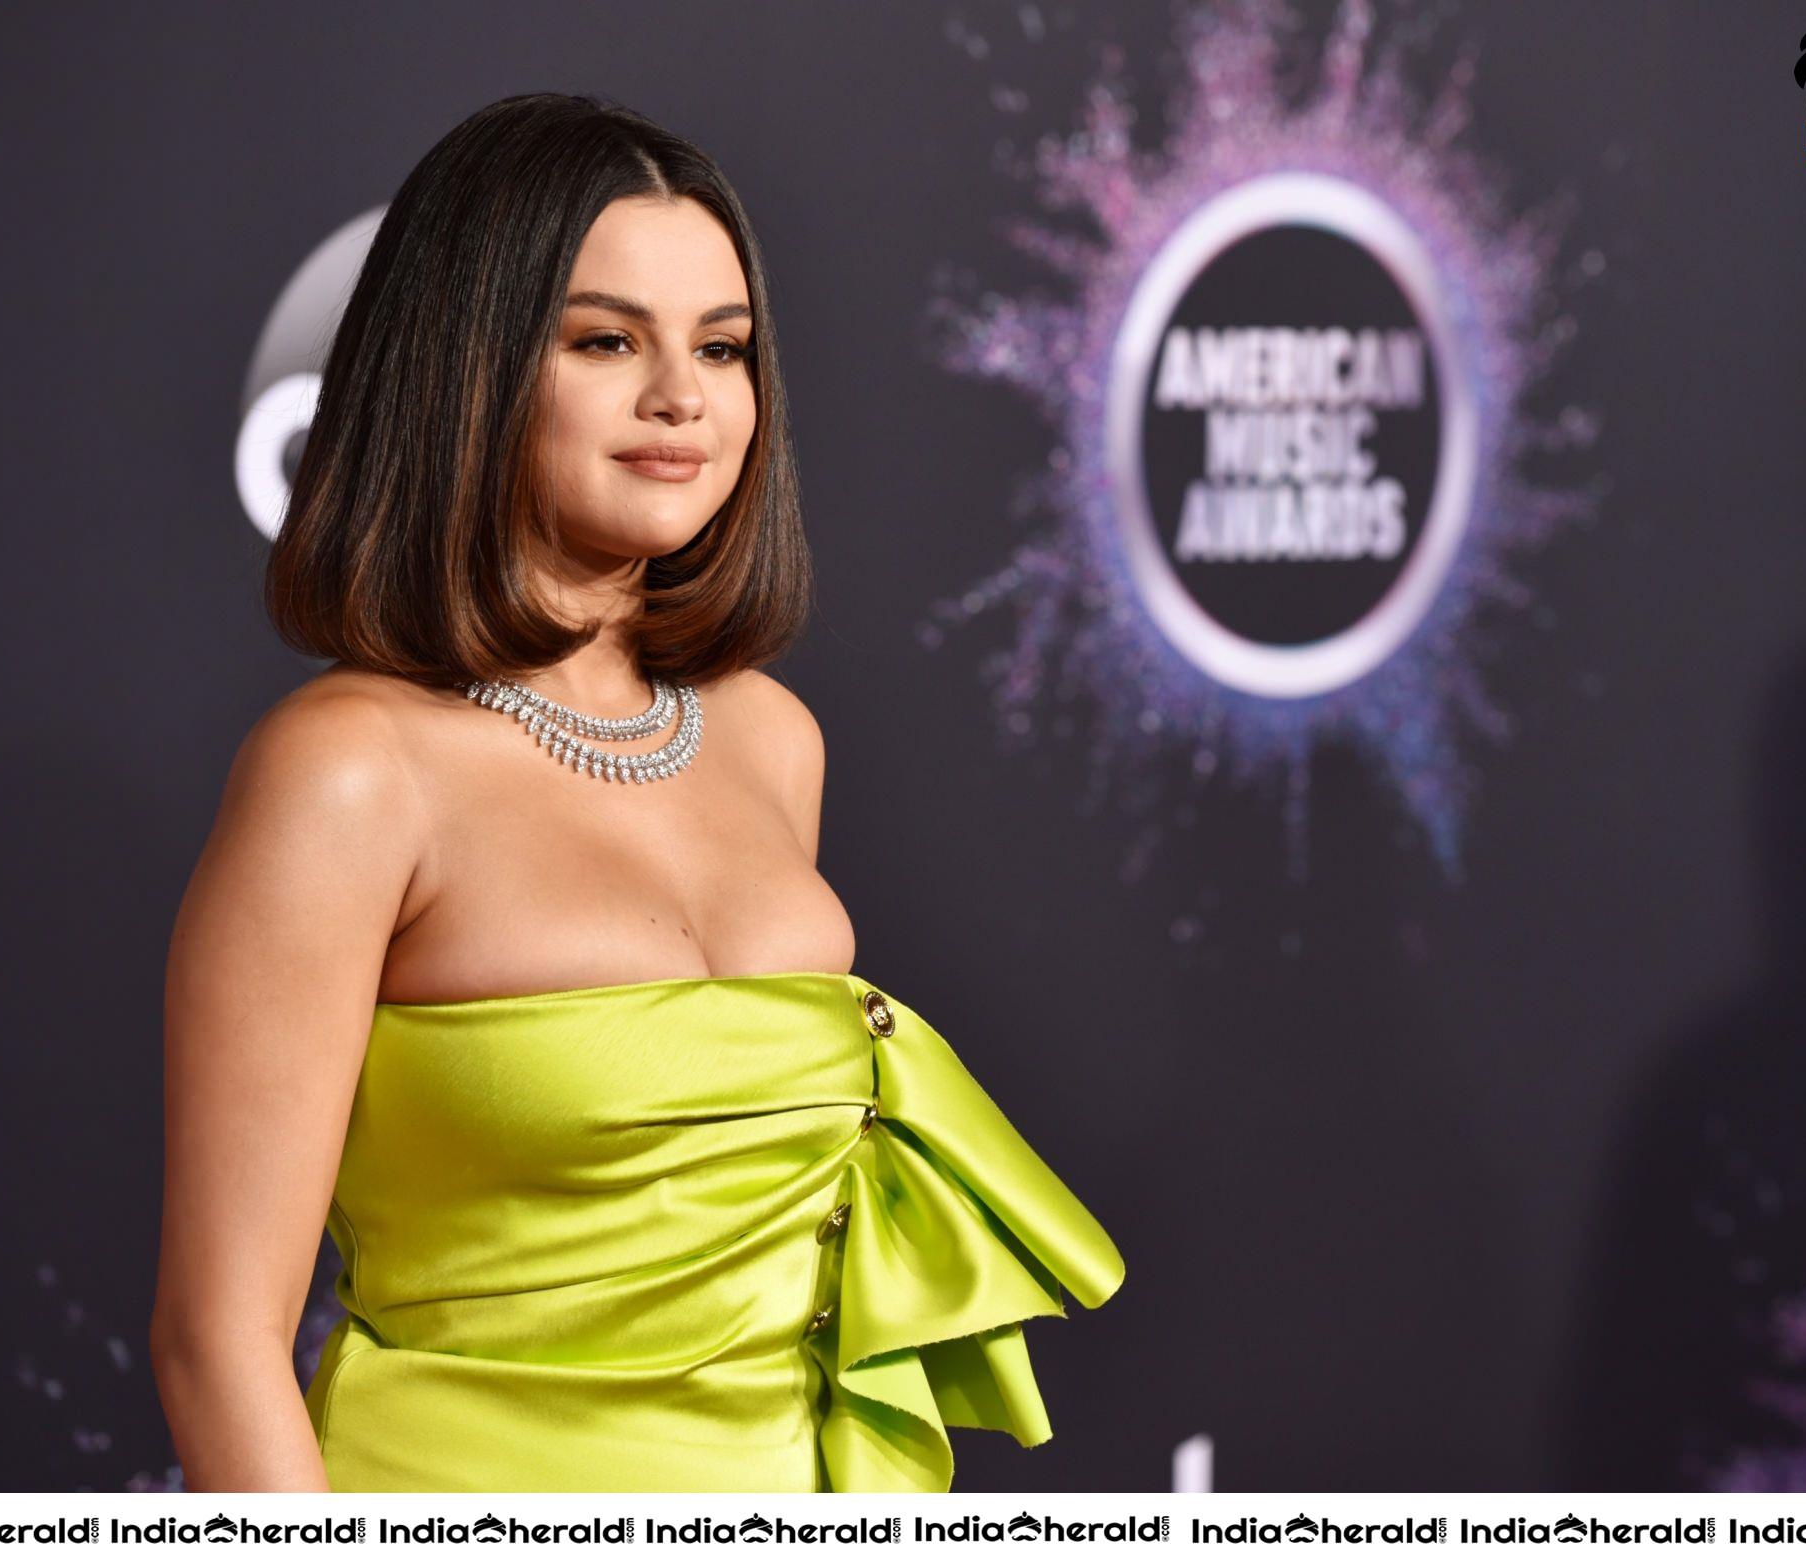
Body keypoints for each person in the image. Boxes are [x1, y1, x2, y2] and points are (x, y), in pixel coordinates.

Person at [148, 91, 1124, 1494]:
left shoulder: (772, 744)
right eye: (606, 341)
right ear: (467, 372)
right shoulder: (349, 771)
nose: (683, 398)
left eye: (721, 349)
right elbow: (216, 1341)